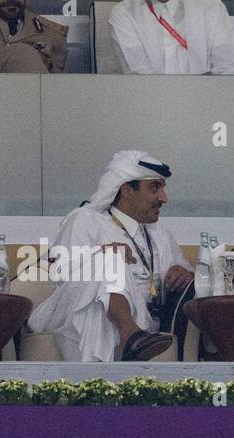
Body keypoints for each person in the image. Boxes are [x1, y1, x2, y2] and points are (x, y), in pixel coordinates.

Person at [27, 151, 192, 362]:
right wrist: (103, 254)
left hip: (143, 319)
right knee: (110, 260)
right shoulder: (86, 220)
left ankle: (112, 365)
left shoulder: (159, 233)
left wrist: (183, 273)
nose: (163, 198)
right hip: (75, 312)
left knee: (106, 303)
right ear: (126, 190)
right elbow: (63, 275)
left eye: (163, 188)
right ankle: (129, 335)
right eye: (154, 188)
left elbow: (184, 271)